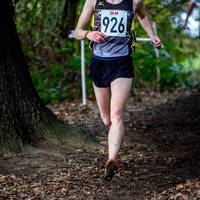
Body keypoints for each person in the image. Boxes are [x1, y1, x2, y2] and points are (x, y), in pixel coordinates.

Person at [74, 0, 161, 181]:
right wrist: (89, 34)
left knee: (116, 114)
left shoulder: (134, 1)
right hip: (99, 63)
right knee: (107, 119)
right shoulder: (93, 2)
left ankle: (112, 159)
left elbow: (143, 16)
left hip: (122, 62)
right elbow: (77, 32)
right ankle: (112, 151)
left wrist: (152, 35)